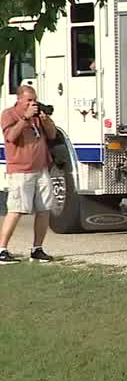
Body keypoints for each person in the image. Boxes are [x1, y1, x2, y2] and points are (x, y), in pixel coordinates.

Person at [1, 86, 57, 264]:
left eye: (34, 100)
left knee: (44, 209)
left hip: (41, 168)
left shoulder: (36, 116)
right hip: (20, 170)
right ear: (19, 99)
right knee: (16, 209)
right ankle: (2, 250)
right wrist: (25, 118)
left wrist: (46, 120)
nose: (32, 103)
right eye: (29, 100)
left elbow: (52, 134)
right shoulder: (9, 114)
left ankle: (37, 248)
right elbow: (10, 136)